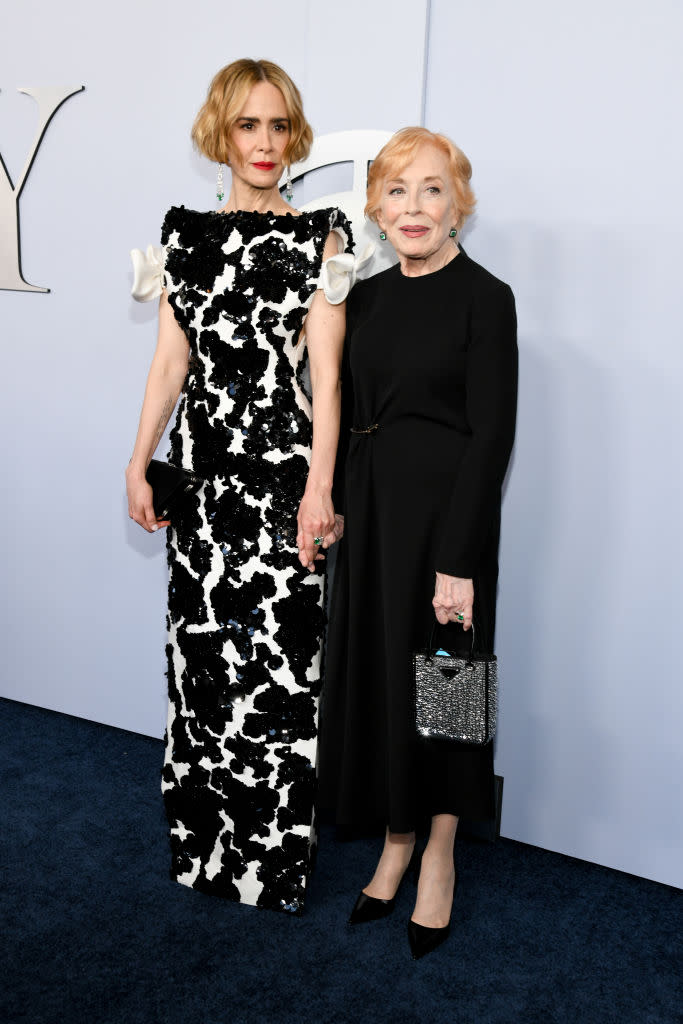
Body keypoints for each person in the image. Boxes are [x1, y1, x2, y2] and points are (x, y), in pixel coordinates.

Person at [126, 58, 354, 914]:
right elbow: (168, 365)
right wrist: (138, 457)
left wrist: (318, 489)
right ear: (219, 132)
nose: (264, 143)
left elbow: (325, 382)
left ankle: (269, 867)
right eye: (248, 125)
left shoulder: (319, 236)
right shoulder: (183, 234)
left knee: (279, 673)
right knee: (200, 667)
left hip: (282, 484)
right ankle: (203, 852)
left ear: (293, 137)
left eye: (279, 126)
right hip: (202, 481)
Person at [319, 127, 518, 957]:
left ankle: (438, 850)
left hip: (447, 521)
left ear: (457, 206)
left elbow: (492, 435)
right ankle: (396, 836)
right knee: (381, 681)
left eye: (432, 190)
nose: (413, 207)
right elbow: (334, 397)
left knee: (448, 690)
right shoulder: (364, 297)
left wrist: (457, 560)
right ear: (374, 206)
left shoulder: (486, 296)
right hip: (369, 515)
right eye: (396, 191)